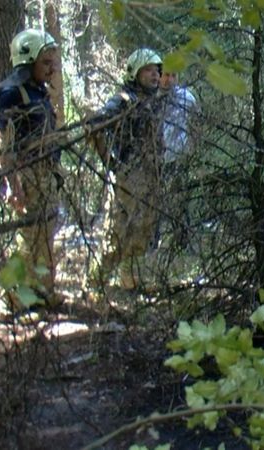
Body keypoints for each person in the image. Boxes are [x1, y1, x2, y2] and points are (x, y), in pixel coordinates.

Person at [0, 29, 63, 310]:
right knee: (28, 239)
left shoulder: (38, 91)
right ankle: (11, 300)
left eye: (52, 62)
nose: (52, 68)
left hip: (45, 175)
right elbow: (2, 145)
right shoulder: (12, 94)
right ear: (27, 60)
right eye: (45, 62)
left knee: (45, 238)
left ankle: (43, 292)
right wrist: (14, 185)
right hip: (26, 176)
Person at [92, 48, 165, 290]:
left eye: (157, 71)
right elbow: (98, 122)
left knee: (143, 228)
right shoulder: (124, 100)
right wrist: (112, 163)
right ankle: (96, 279)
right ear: (135, 73)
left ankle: (129, 278)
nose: (155, 76)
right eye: (148, 70)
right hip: (129, 175)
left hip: (150, 173)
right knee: (119, 229)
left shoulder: (153, 101)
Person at [157, 69, 197, 249]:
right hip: (156, 160)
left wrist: (191, 150)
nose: (170, 79)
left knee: (179, 201)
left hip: (178, 159)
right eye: (166, 75)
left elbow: (196, 124)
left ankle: (183, 243)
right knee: (155, 202)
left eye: (174, 75)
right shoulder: (151, 98)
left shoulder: (187, 98)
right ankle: (153, 243)